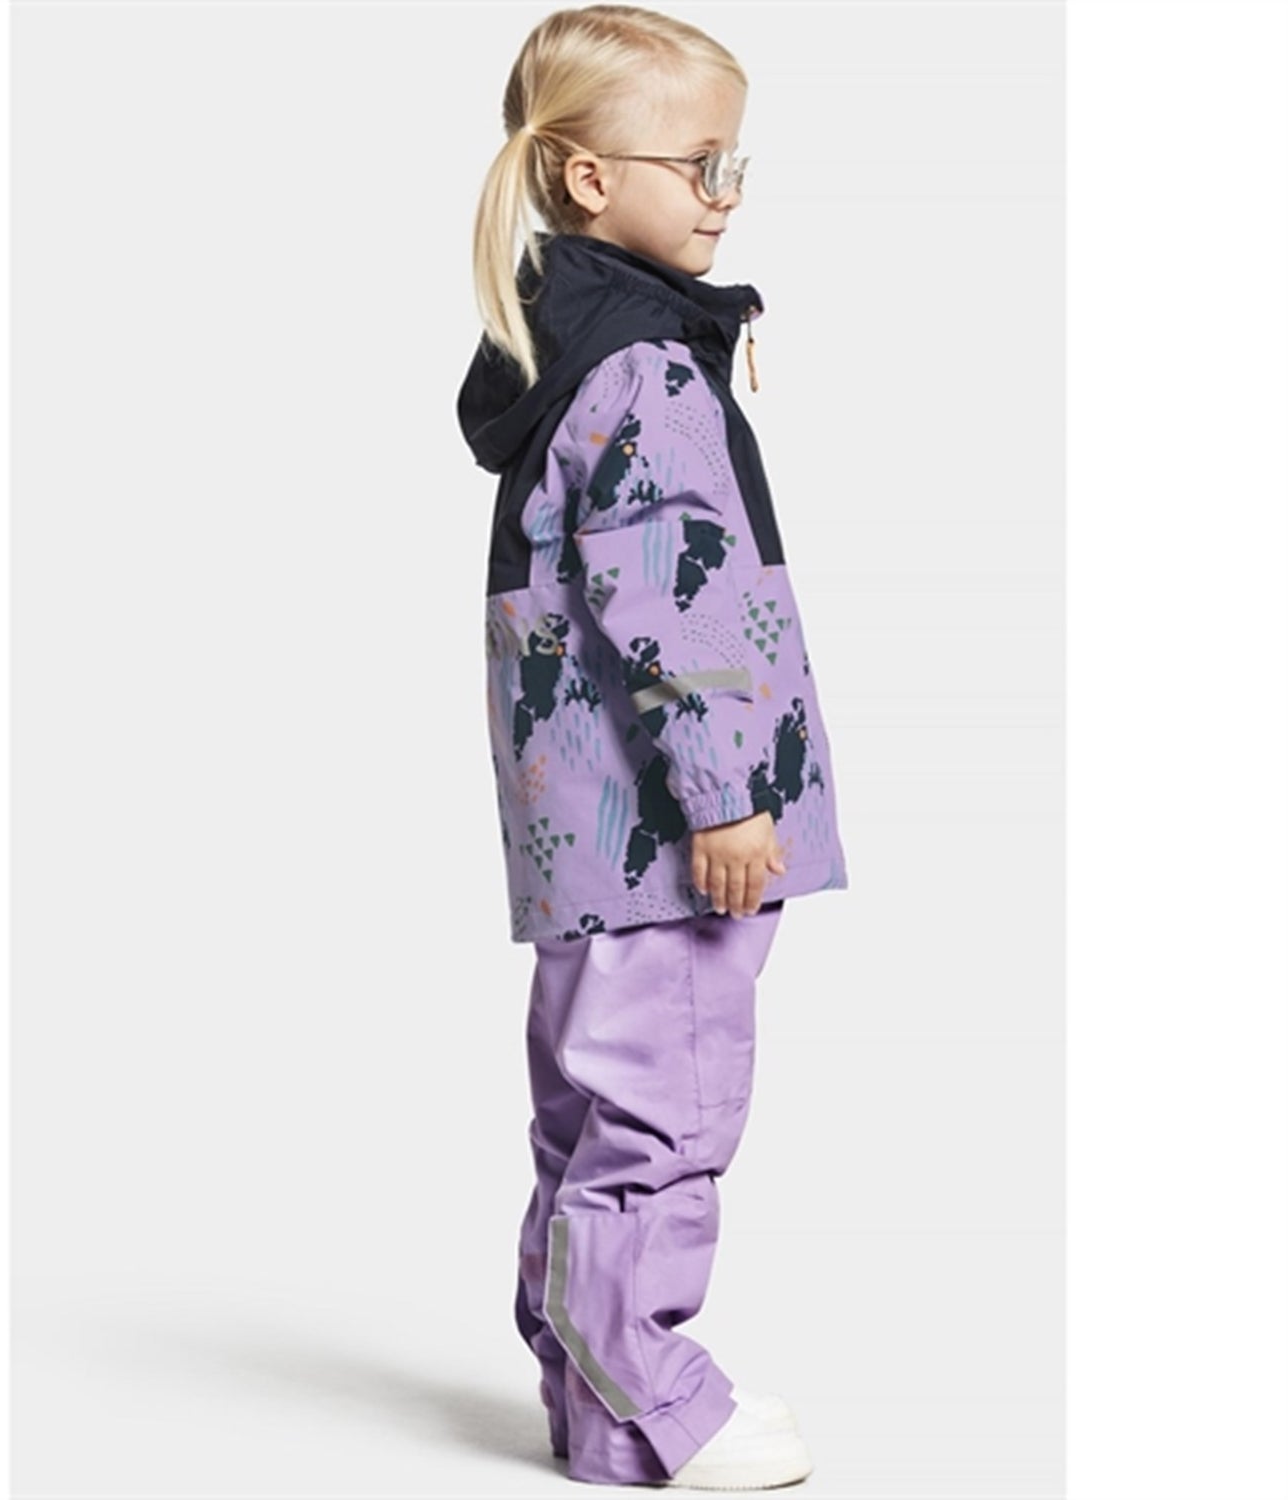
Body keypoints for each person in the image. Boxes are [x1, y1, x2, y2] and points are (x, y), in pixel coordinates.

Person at [455, 5, 850, 1489]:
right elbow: (668, 604)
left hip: (594, 829)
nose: (725, 192)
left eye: (734, 162)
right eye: (699, 162)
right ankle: (662, 1403)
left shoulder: (573, 354)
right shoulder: (642, 371)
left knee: (594, 1108)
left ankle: (599, 1410)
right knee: (661, 1111)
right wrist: (729, 797)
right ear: (586, 177)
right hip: (670, 833)